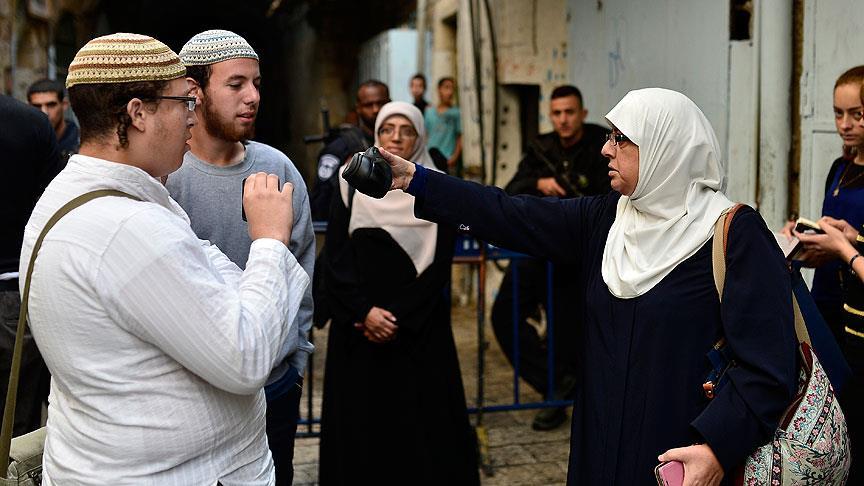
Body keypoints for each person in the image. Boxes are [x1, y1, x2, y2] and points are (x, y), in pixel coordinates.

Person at [374, 88, 798, 484]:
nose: (605, 149)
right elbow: (509, 213)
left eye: (620, 139)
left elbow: (768, 364)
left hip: (680, 460)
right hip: (600, 449)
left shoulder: (734, 234)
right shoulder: (606, 218)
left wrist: (718, 449)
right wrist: (416, 179)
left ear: (664, 147)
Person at [21, 33, 307, 484]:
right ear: (138, 113)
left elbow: (212, 273)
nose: (192, 117)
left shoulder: (94, 197)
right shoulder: (128, 228)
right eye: (182, 103)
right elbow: (246, 356)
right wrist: (269, 241)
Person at [165, 29, 314, 486]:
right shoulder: (166, 176)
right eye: (235, 84)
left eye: (256, 83)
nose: (253, 96)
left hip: (274, 389)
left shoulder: (277, 168)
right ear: (194, 91)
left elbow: (301, 268)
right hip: (194, 398)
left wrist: (293, 363)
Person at [317, 101, 479, 486]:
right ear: (376, 134)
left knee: (421, 430)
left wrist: (396, 317)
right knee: (361, 429)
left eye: (407, 131)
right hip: (359, 329)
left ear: (419, 137)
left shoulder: (437, 187)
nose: (396, 138)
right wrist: (364, 312)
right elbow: (336, 255)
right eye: (388, 129)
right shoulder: (349, 181)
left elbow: (439, 265)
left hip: (417, 330)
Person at [492, 84, 610, 431]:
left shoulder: (601, 144)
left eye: (570, 112)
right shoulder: (540, 148)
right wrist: (539, 184)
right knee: (504, 316)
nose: (563, 120)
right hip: (537, 249)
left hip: (579, 255)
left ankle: (559, 399)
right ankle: (556, 385)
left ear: (582, 113)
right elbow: (512, 189)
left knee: (566, 331)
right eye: (557, 113)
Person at [781, 66, 864, 343]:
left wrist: (844, 245)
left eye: (856, 114)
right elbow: (831, 244)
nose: (845, 124)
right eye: (838, 113)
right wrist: (803, 243)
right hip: (826, 300)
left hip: (857, 309)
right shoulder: (840, 168)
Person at [0, 94, 61, 438]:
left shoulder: (30, 123)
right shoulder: (32, 123)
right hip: (16, 295)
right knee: (15, 429)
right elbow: (54, 208)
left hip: (16, 288)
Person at [310, 80, 390, 221]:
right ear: (358, 108)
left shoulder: (399, 144)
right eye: (368, 105)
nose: (376, 109)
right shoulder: (341, 147)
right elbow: (321, 201)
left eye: (381, 103)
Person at [27, 78, 80, 162]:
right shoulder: (23, 143)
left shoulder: (82, 143)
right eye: (37, 106)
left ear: (64, 104)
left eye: (51, 105)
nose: (44, 112)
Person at [425, 76, 462, 173]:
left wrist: (454, 157)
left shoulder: (456, 113)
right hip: (430, 159)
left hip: (447, 159)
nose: (450, 92)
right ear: (439, 89)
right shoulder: (429, 112)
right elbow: (425, 135)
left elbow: (459, 137)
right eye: (446, 87)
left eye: (452, 89)